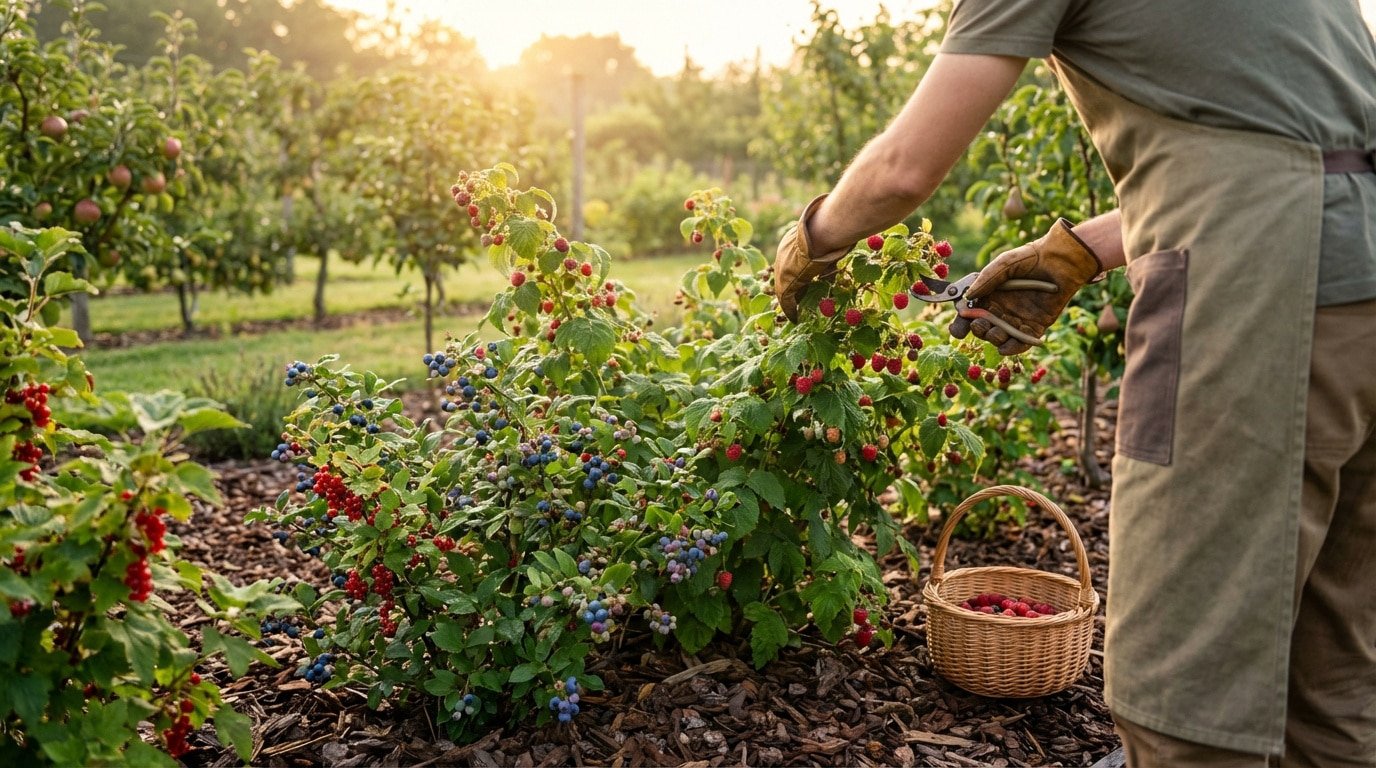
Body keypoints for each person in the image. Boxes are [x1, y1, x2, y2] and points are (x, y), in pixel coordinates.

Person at [773, 2, 1376, 765]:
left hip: (1261, 289)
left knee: (1183, 707)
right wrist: (1079, 251)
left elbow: (903, 170)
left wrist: (811, 241)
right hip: (1357, 281)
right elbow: (1287, 150)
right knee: (1329, 692)